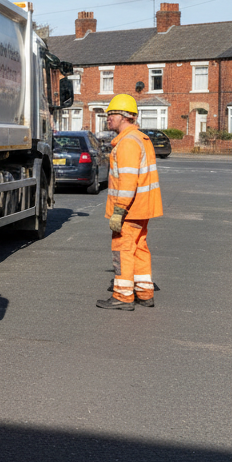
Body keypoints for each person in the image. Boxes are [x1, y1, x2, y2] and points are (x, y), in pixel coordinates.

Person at [97, 94, 164, 310]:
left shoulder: (127, 143)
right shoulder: (140, 139)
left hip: (129, 209)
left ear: (124, 117)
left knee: (123, 248)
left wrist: (119, 210)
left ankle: (123, 296)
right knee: (139, 248)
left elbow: (127, 180)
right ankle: (144, 293)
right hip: (142, 207)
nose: (108, 118)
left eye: (112, 114)